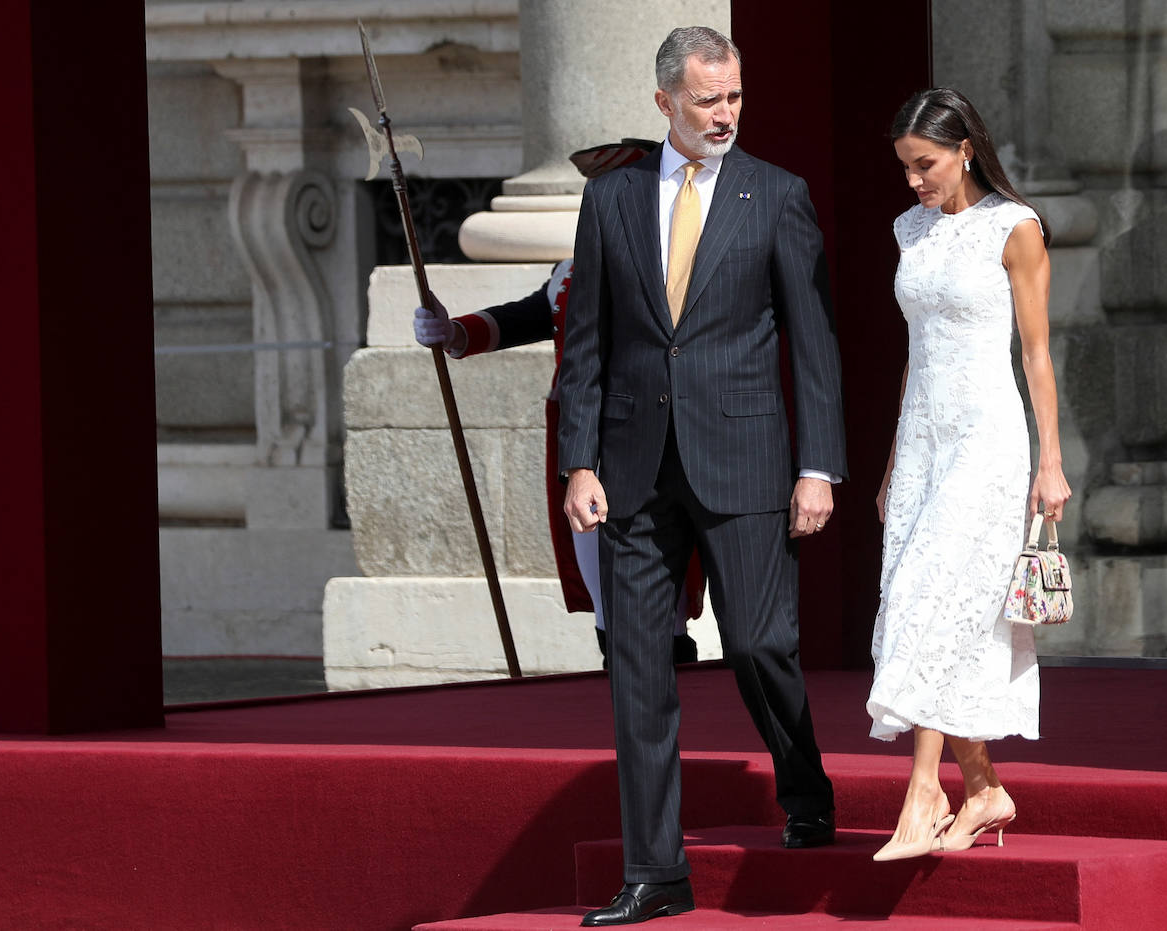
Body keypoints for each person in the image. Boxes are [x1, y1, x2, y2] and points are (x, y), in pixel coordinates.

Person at [558, 25, 846, 926]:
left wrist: (819, 467)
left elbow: (817, 347)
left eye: (734, 97)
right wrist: (578, 461)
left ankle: (803, 789)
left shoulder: (778, 195)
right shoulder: (610, 200)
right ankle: (655, 871)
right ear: (664, 104)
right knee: (638, 668)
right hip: (634, 470)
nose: (724, 114)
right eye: (706, 100)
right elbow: (588, 343)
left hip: (749, 460)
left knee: (760, 644)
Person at [868, 87, 1071, 861]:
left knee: (931, 598)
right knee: (939, 614)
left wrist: (1049, 460)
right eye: (904, 168)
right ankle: (983, 787)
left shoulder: (1015, 229)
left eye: (924, 164)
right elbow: (915, 355)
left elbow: (1037, 354)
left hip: (988, 442)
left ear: (964, 151)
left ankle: (923, 793)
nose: (914, 180)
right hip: (923, 443)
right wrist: (894, 459)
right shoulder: (909, 229)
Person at [413, 139, 703, 668]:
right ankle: (615, 662)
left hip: (652, 428)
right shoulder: (569, 268)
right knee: (595, 559)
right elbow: (525, 317)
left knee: (661, 562)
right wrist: (452, 330)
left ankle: (672, 663)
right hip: (583, 436)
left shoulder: (678, 258)